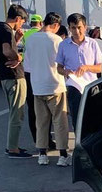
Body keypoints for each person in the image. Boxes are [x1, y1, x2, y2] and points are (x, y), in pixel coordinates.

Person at [24, 13, 70, 166]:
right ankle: (63, 155)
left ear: (44, 22)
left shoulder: (30, 39)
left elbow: (28, 66)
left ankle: (42, 154)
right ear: (56, 26)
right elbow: (62, 64)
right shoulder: (57, 40)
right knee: (59, 121)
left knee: (41, 122)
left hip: (37, 86)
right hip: (55, 84)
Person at [0, 4, 33, 158]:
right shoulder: (7, 30)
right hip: (14, 76)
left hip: (5, 77)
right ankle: (13, 149)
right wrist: (19, 57)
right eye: (22, 21)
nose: (21, 25)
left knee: (13, 112)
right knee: (17, 113)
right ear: (17, 18)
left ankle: (12, 146)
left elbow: (5, 48)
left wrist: (16, 40)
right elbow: (7, 51)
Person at [56, 13, 102, 133]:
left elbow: (100, 67)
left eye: (79, 27)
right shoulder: (63, 45)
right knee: (77, 119)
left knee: (92, 117)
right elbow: (59, 68)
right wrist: (65, 71)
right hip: (73, 87)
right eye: (73, 28)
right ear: (69, 28)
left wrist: (87, 67)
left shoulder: (93, 44)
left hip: (91, 86)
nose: (76, 31)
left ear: (85, 27)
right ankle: (79, 144)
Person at [22, 13, 44, 147]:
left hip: (27, 71)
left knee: (32, 107)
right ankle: (45, 139)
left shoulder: (26, 35)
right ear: (40, 23)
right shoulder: (42, 35)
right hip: (41, 72)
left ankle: (37, 139)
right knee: (45, 110)